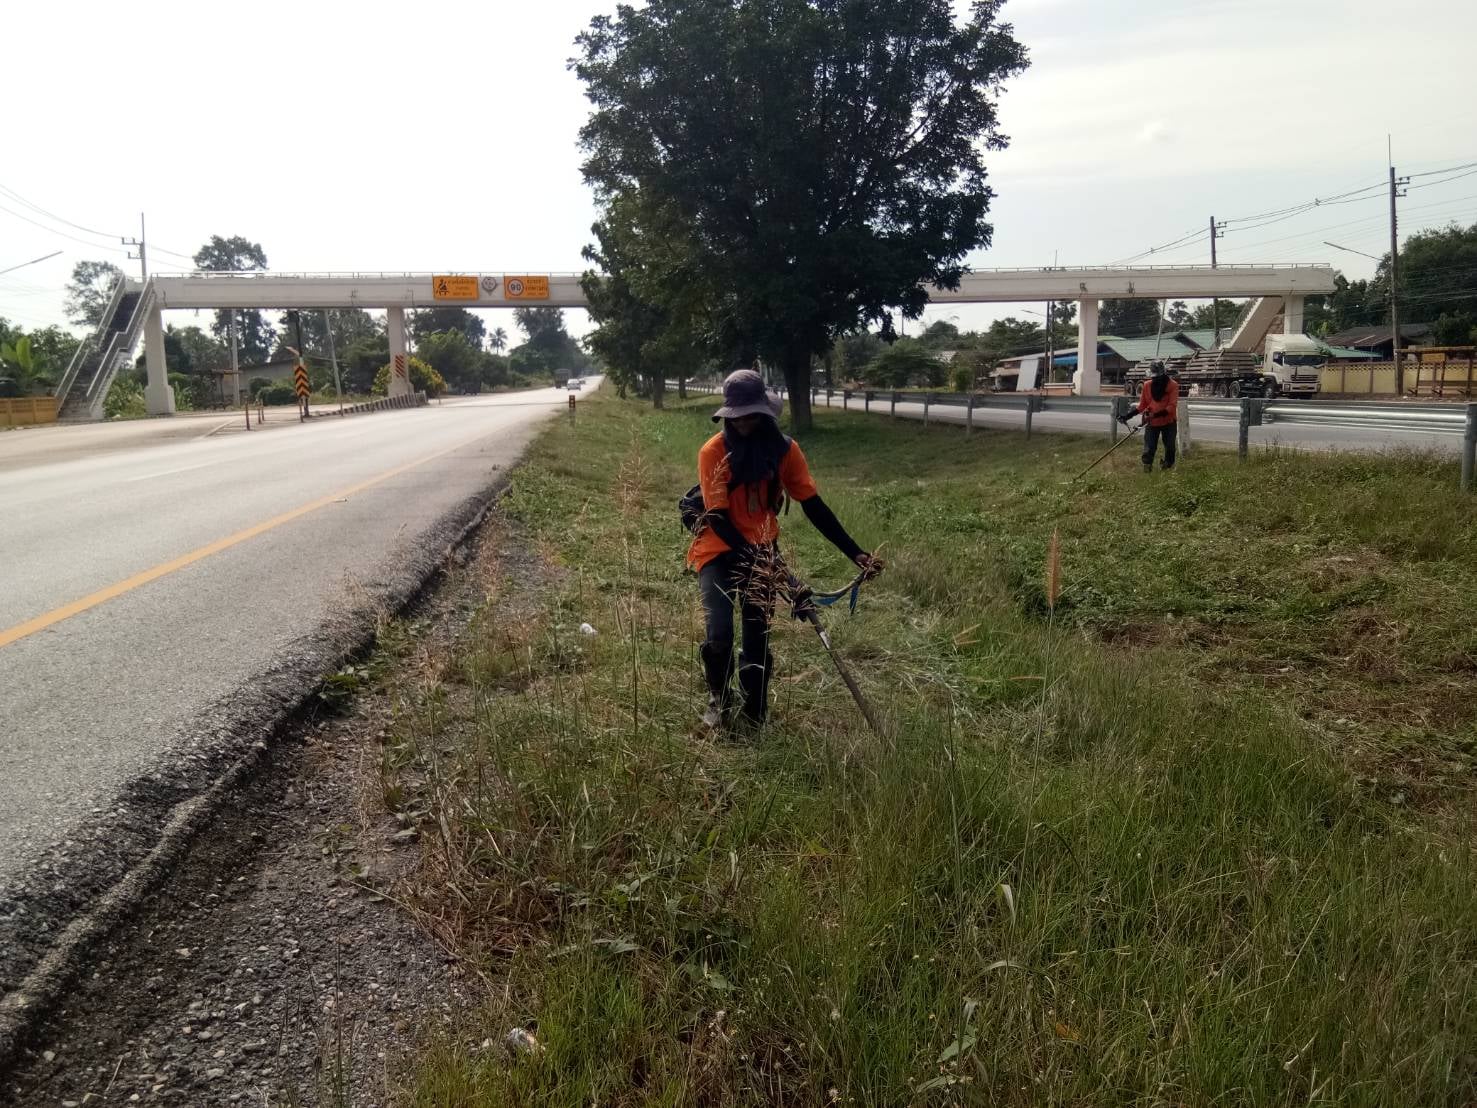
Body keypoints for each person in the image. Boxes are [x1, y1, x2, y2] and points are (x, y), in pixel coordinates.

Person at [688, 369, 879, 731]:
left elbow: (813, 505)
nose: (742, 422)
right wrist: (776, 571)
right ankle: (719, 700)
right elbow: (718, 520)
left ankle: (755, 712)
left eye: (750, 415)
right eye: (736, 415)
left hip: (762, 547)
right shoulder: (713, 452)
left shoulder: (785, 451)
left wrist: (854, 552)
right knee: (719, 634)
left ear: (765, 413)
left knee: (757, 634)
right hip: (718, 549)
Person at [1135, 361, 1180, 471]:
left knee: (1170, 446)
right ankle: (1147, 466)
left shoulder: (1173, 385)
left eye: (1157, 376)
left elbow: (1171, 407)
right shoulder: (1147, 385)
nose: (1155, 379)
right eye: (1153, 377)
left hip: (1169, 421)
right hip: (1152, 422)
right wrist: (1127, 416)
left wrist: (1154, 415)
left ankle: (1167, 465)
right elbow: (1142, 406)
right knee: (1149, 446)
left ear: (1163, 373)